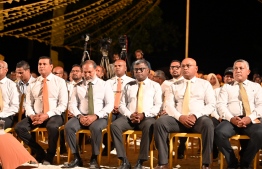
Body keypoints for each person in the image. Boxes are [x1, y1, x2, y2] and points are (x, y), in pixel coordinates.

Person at [154, 58, 215, 169]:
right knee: (160, 123)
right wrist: (180, 116)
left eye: (188, 65)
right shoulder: (174, 85)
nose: (185, 68)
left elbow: (211, 105)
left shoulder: (205, 84)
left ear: (196, 68)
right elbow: (168, 105)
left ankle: (206, 164)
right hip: (178, 120)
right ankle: (163, 162)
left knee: (208, 123)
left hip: (198, 120)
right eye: (183, 66)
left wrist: (195, 115)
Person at [15, 56, 68, 165]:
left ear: (51, 66)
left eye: (44, 64)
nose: (41, 66)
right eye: (40, 64)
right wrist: (32, 115)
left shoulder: (60, 82)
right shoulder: (33, 83)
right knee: (19, 128)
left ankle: (50, 155)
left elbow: (63, 105)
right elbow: (28, 103)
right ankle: (39, 152)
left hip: (54, 114)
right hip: (36, 114)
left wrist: (47, 115)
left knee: (52, 127)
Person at [111, 59, 162, 169]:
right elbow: (121, 105)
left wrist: (144, 114)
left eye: (141, 69)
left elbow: (158, 106)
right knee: (114, 125)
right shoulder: (128, 85)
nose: (138, 72)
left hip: (147, 117)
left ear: (148, 70)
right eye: (136, 70)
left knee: (149, 125)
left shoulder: (155, 86)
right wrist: (130, 115)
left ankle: (140, 161)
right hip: (130, 117)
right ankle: (124, 160)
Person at [63, 60, 114, 168]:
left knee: (95, 128)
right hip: (82, 116)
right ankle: (76, 157)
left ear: (95, 70)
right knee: (68, 127)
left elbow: (110, 105)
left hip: (99, 117)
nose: (87, 75)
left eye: (89, 72)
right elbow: (72, 104)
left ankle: (94, 158)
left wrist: (96, 116)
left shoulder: (105, 85)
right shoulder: (77, 86)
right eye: (85, 72)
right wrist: (80, 116)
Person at [215, 59, 262, 169]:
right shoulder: (226, 87)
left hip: (250, 120)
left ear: (248, 72)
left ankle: (245, 162)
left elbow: (260, 105)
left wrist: (249, 118)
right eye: (236, 68)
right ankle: (232, 162)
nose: (238, 71)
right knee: (219, 132)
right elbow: (221, 105)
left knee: (260, 133)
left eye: (241, 68)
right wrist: (231, 118)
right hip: (232, 120)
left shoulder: (256, 87)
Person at [103, 60, 134, 156]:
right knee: (103, 122)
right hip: (110, 110)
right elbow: (105, 98)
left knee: (122, 123)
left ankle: (119, 146)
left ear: (125, 68)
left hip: (124, 110)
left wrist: (121, 108)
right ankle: (108, 144)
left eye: (119, 65)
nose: (117, 67)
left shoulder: (132, 82)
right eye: (115, 66)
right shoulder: (108, 82)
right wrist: (110, 107)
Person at [0, 60, 20, 129]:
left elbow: (15, 106)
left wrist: (1, 114)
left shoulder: (12, 85)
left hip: (6, 116)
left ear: (6, 70)